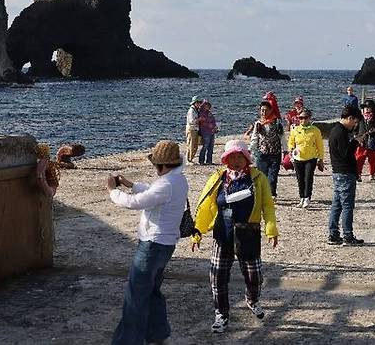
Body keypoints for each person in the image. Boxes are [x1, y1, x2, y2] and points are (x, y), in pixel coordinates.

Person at [191, 140, 278, 334]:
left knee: (254, 276)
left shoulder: (258, 178)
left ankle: (252, 299)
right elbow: (204, 207)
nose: (236, 161)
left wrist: (271, 229)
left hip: (248, 234)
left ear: (246, 158)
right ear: (226, 159)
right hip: (223, 234)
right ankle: (221, 314)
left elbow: (268, 206)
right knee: (217, 277)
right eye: (232, 157)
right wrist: (197, 232)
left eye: (240, 157)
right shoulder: (217, 178)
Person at [108, 140, 188, 344]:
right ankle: (157, 334)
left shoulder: (166, 184)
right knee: (152, 291)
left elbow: (135, 202)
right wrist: (131, 185)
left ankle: (128, 341)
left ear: (161, 165)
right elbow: (153, 192)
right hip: (166, 244)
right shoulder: (178, 180)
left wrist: (113, 191)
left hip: (152, 245)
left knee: (135, 296)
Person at [328, 105, 364, 246]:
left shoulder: (335, 130)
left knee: (337, 204)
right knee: (347, 205)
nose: (354, 125)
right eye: (354, 122)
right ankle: (348, 235)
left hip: (338, 172)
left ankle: (333, 233)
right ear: (350, 118)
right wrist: (356, 142)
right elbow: (345, 154)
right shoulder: (340, 132)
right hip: (344, 173)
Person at [288, 108, 325, 208]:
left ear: (309, 118)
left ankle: (307, 197)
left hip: (311, 158)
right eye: (300, 118)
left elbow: (320, 146)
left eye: (305, 118)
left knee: (308, 178)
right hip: (298, 158)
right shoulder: (295, 130)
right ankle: (302, 198)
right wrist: (291, 149)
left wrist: (321, 159)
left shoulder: (315, 130)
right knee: (300, 179)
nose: (303, 120)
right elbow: (291, 142)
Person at [250, 100, 286, 199]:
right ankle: (261, 194)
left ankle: (272, 194)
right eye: (262, 110)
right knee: (262, 175)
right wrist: (250, 149)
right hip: (262, 153)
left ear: (271, 110)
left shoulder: (277, 123)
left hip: (275, 153)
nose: (264, 112)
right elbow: (254, 138)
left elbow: (282, 137)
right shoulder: (258, 123)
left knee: (273, 176)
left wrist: (286, 150)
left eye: (266, 110)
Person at [355, 100, 375, 182]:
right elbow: (355, 128)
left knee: (373, 159)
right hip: (362, 141)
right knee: (359, 159)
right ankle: (358, 174)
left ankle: (372, 174)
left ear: (372, 108)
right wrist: (357, 137)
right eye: (365, 108)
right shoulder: (360, 117)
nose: (367, 109)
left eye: (368, 107)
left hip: (373, 141)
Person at [198, 100, 219, 165]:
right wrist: (211, 127)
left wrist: (215, 127)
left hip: (212, 132)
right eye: (206, 105)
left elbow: (213, 121)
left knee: (211, 147)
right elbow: (203, 122)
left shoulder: (209, 113)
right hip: (205, 132)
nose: (207, 107)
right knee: (205, 146)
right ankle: (201, 161)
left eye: (208, 105)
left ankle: (209, 161)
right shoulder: (201, 113)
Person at [185, 96, 203, 165]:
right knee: (190, 145)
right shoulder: (191, 111)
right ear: (194, 103)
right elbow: (191, 121)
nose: (199, 104)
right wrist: (199, 120)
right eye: (198, 102)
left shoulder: (196, 110)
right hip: (191, 129)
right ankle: (188, 160)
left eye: (199, 103)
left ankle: (191, 159)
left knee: (195, 145)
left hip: (195, 129)